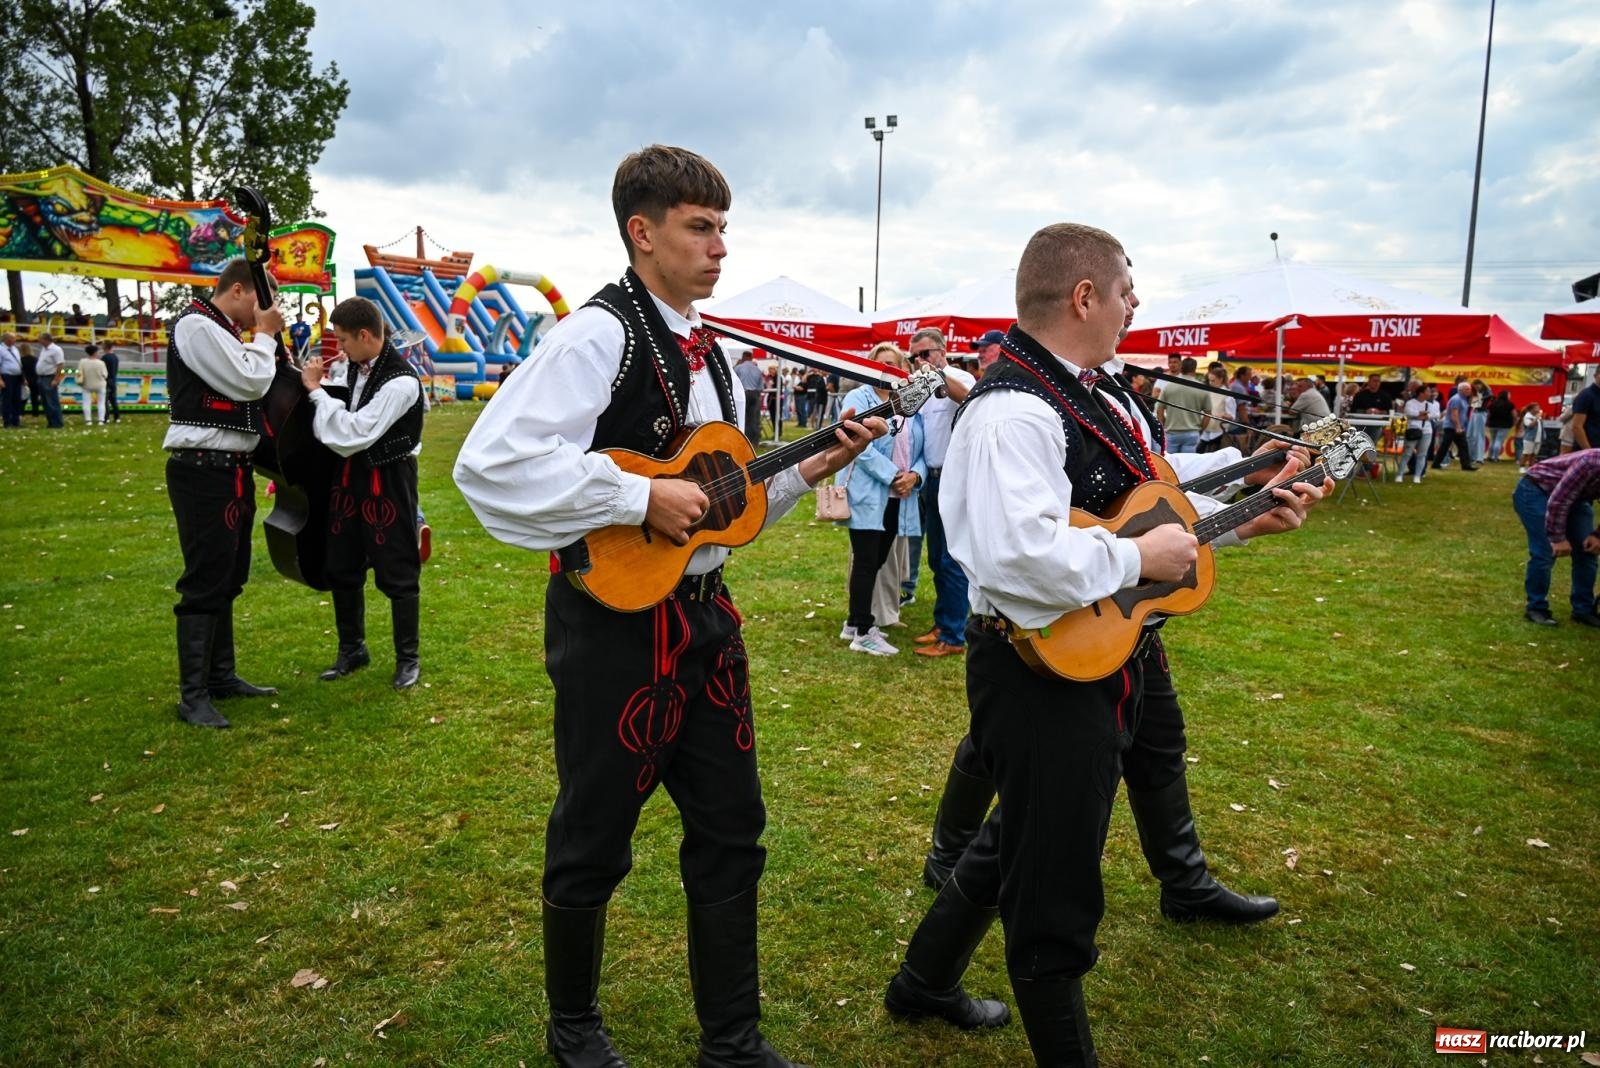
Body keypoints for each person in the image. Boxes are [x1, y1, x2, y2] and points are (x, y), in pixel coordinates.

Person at [453, 144, 882, 1068]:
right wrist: (634, 497)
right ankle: (574, 1031)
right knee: (594, 829)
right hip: (610, 624)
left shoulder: (714, 352)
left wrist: (811, 467)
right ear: (642, 234)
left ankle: (731, 1040)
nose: (719, 246)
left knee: (734, 827)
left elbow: (715, 512)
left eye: (724, 227)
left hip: (705, 620)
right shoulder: (595, 336)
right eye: (700, 227)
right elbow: (489, 465)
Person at [884, 223, 1327, 1065]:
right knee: (1053, 880)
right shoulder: (1012, 409)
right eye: (1127, 288)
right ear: (1084, 297)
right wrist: (1131, 558)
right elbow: (1013, 556)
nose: (1136, 303)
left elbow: (1146, 500)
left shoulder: (1091, 392)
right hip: (1035, 663)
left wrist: (1245, 499)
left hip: (1105, 649)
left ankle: (922, 981)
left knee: (1029, 830)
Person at [163, 258, 285, 728]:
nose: (263, 312)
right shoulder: (196, 325)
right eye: (261, 301)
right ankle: (193, 695)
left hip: (231, 469)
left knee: (229, 573)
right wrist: (267, 335)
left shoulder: (223, 332)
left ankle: (221, 675)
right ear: (238, 290)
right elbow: (251, 380)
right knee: (206, 576)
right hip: (203, 471)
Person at [298, 297, 426, 690]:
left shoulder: (402, 381)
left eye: (344, 340)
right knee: (342, 560)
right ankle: (352, 649)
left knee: (398, 563)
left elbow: (354, 433)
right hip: (351, 476)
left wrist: (316, 393)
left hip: (387, 477)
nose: (340, 348)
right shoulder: (352, 367)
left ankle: (408, 658)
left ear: (366, 335)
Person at [838, 343, 926, 656]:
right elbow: (859, 446)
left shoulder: (909, 402)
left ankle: (853, 620)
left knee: (877, 560)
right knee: (864, 560)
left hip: (897, 496)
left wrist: (915, 476)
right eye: (880, 364)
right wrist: (892, 475)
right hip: (868, 492)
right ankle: (863, 629)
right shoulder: (858, 398)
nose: (885, 370)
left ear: (902, 368)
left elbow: (920, 449)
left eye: (891, 364)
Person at [907, 328, 975, 658]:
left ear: (943, 350)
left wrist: (938, 377)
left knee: (951, 560)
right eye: (914, 356)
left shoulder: (957, 377)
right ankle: (944, 624)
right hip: (931, 478)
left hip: (954, 479)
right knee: (936, 557)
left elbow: (970, 398)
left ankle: (953, 635)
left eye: (926, 353)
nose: (920, 361)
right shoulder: (918, 385)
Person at [1512, 449, 1600, 628]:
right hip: (1536, 489)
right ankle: (1536, 607)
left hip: (1576, 497)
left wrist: (1597, 535)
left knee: (1588, 550)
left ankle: (1583, 609)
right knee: (1545, 551)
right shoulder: (1592, 463)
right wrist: (1557, 537)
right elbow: (1560, 500)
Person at [1431, 381, 1479, 471]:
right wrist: (1458, 426)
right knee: (1447, 446)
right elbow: (1454, 414)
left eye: (1469, 389)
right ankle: (1465, 465)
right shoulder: (1456, 399)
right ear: (1460, 390)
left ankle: (1465, 465)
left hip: (1457, 427)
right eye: (1467, 389)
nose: (1469, 390)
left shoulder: (1464, 399)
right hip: (1452, 427)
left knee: (1461, 446)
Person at [34, 332, 65, 428]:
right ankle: (50, 422)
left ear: (45, 340)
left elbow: (60, 364)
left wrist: (56, 379)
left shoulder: (56, 350)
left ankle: (57, 423)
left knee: (51, 401)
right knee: (45, 402)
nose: (38, 341)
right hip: (41, 377)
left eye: (40, 339)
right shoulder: (44, 349)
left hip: (49, 377)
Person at [733, 351, 764, 445]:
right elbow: (760, 388)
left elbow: (733, 382)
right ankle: (754, 441)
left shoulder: (738, 368)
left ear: (743, 357)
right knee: (754, 419)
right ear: (751, 357)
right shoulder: (758, 370)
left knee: (741, 417)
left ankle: (742, 439)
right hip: (755, 394)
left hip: (742, 394)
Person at [76, 343, 107, 425]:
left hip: (86, 384)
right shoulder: (101, 363)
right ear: (95, 352)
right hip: (100, 385)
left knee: (86, 402)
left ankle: (88, 420)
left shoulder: (82, 362)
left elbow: (79, 373)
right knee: (101, 402)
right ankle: (101, 420)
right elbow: (105, 375)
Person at [1486, 389, 1516, 461]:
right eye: (1509, 395)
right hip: (1504, 425)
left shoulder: (1493, 403)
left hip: (1492, 424)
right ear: (1506, 396)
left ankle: (1490, 455)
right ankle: (1495, 457)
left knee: (1493, 440)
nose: (1510, 396)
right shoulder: (1510, 404)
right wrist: (1514, 422)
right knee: (1499, 440)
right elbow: (1514, 414)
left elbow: (1488, 414)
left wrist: (1487, 421)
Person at [1571, 377, 1600, 451]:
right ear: (1596, 375)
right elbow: (1577, 426)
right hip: (1590, 452)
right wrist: (1589, 452)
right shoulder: (1586, 395)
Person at [0, 332, 22, 428]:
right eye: (13, 338)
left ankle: (16, 421)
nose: (15, 340)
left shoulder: (15, 349)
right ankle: (7, 421)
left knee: (17, 399)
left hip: (17, 376)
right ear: (7, 339)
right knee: (7, 399)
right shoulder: (1, 349)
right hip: (7, 376)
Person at [1519, 402, 1545, 469]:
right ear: (1532, 409)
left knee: (1534, 454)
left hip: (1538, 438)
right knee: (1526, 453)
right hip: (1529, 438)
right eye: (1537, 408)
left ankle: (1531, 467)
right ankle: (1522, 467)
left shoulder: (1539, 416)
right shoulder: (1527, 417)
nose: (1539, 409)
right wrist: (1536, 418)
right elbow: (1530, 425)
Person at [100, 341, 121, 424]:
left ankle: (106, 417)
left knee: (105, 401)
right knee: (113, 400)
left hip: (106, 380)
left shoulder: (104, 358)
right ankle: (117, 417)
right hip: (113, 380)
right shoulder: (115, 357)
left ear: (105, 348)